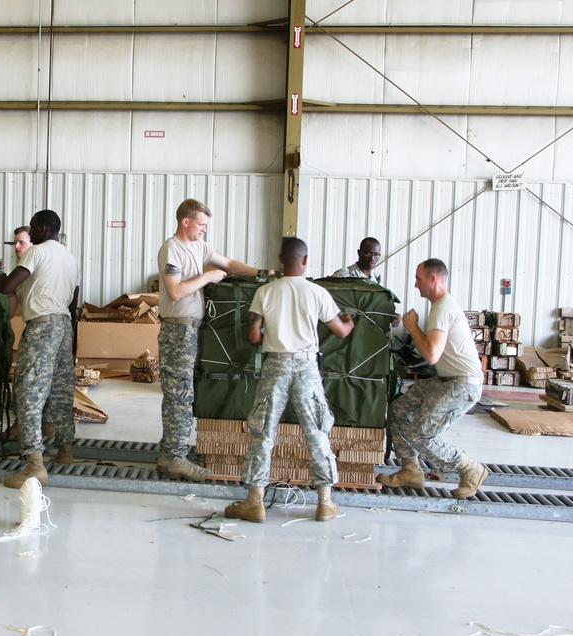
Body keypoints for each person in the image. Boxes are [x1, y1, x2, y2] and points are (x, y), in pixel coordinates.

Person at [225, 237, 355, 522]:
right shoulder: (318, 293)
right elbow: (342, 332)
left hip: (276, 366)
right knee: (317, 432)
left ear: (280, 260)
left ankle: (255, 501)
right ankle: (324, 502)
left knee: (263, 431)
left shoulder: (266, 293)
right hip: (307, 368)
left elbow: (254, 337)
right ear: (305, 261)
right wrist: (349, 321)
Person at [156, 198, 268, 482]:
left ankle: (169, 455)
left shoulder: (200, 247)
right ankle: (177, 459)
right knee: (179, 395)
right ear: (186, 222)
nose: (204, 229)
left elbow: (229, 263)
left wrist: (261, 273)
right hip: (178, 330)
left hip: (193, 329)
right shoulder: (172, 248)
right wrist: (207, 278)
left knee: (183, 392)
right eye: (201, 224)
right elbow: (176, 292)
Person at [376, 259, 489, 498]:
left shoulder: (442, 309)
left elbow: (431, 355)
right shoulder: (440, 307)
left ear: (433, 279)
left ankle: (469, 467)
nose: (416, 285)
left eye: (419, 279)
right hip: (446, 380)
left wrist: (413, 327)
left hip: (462, 384)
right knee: (399, 409)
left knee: (420, 433)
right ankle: (410, 470)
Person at [0, 210, 80, 488]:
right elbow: (73, 302)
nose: (32, 231)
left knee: (27, 391)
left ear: (45, 227)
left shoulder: (36, 252)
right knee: (61, 389)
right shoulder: (69, 257)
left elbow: (6, 287)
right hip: (64, 325)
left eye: (34, 226)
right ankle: (65, 451)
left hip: (41, 327)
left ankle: (34, 465)